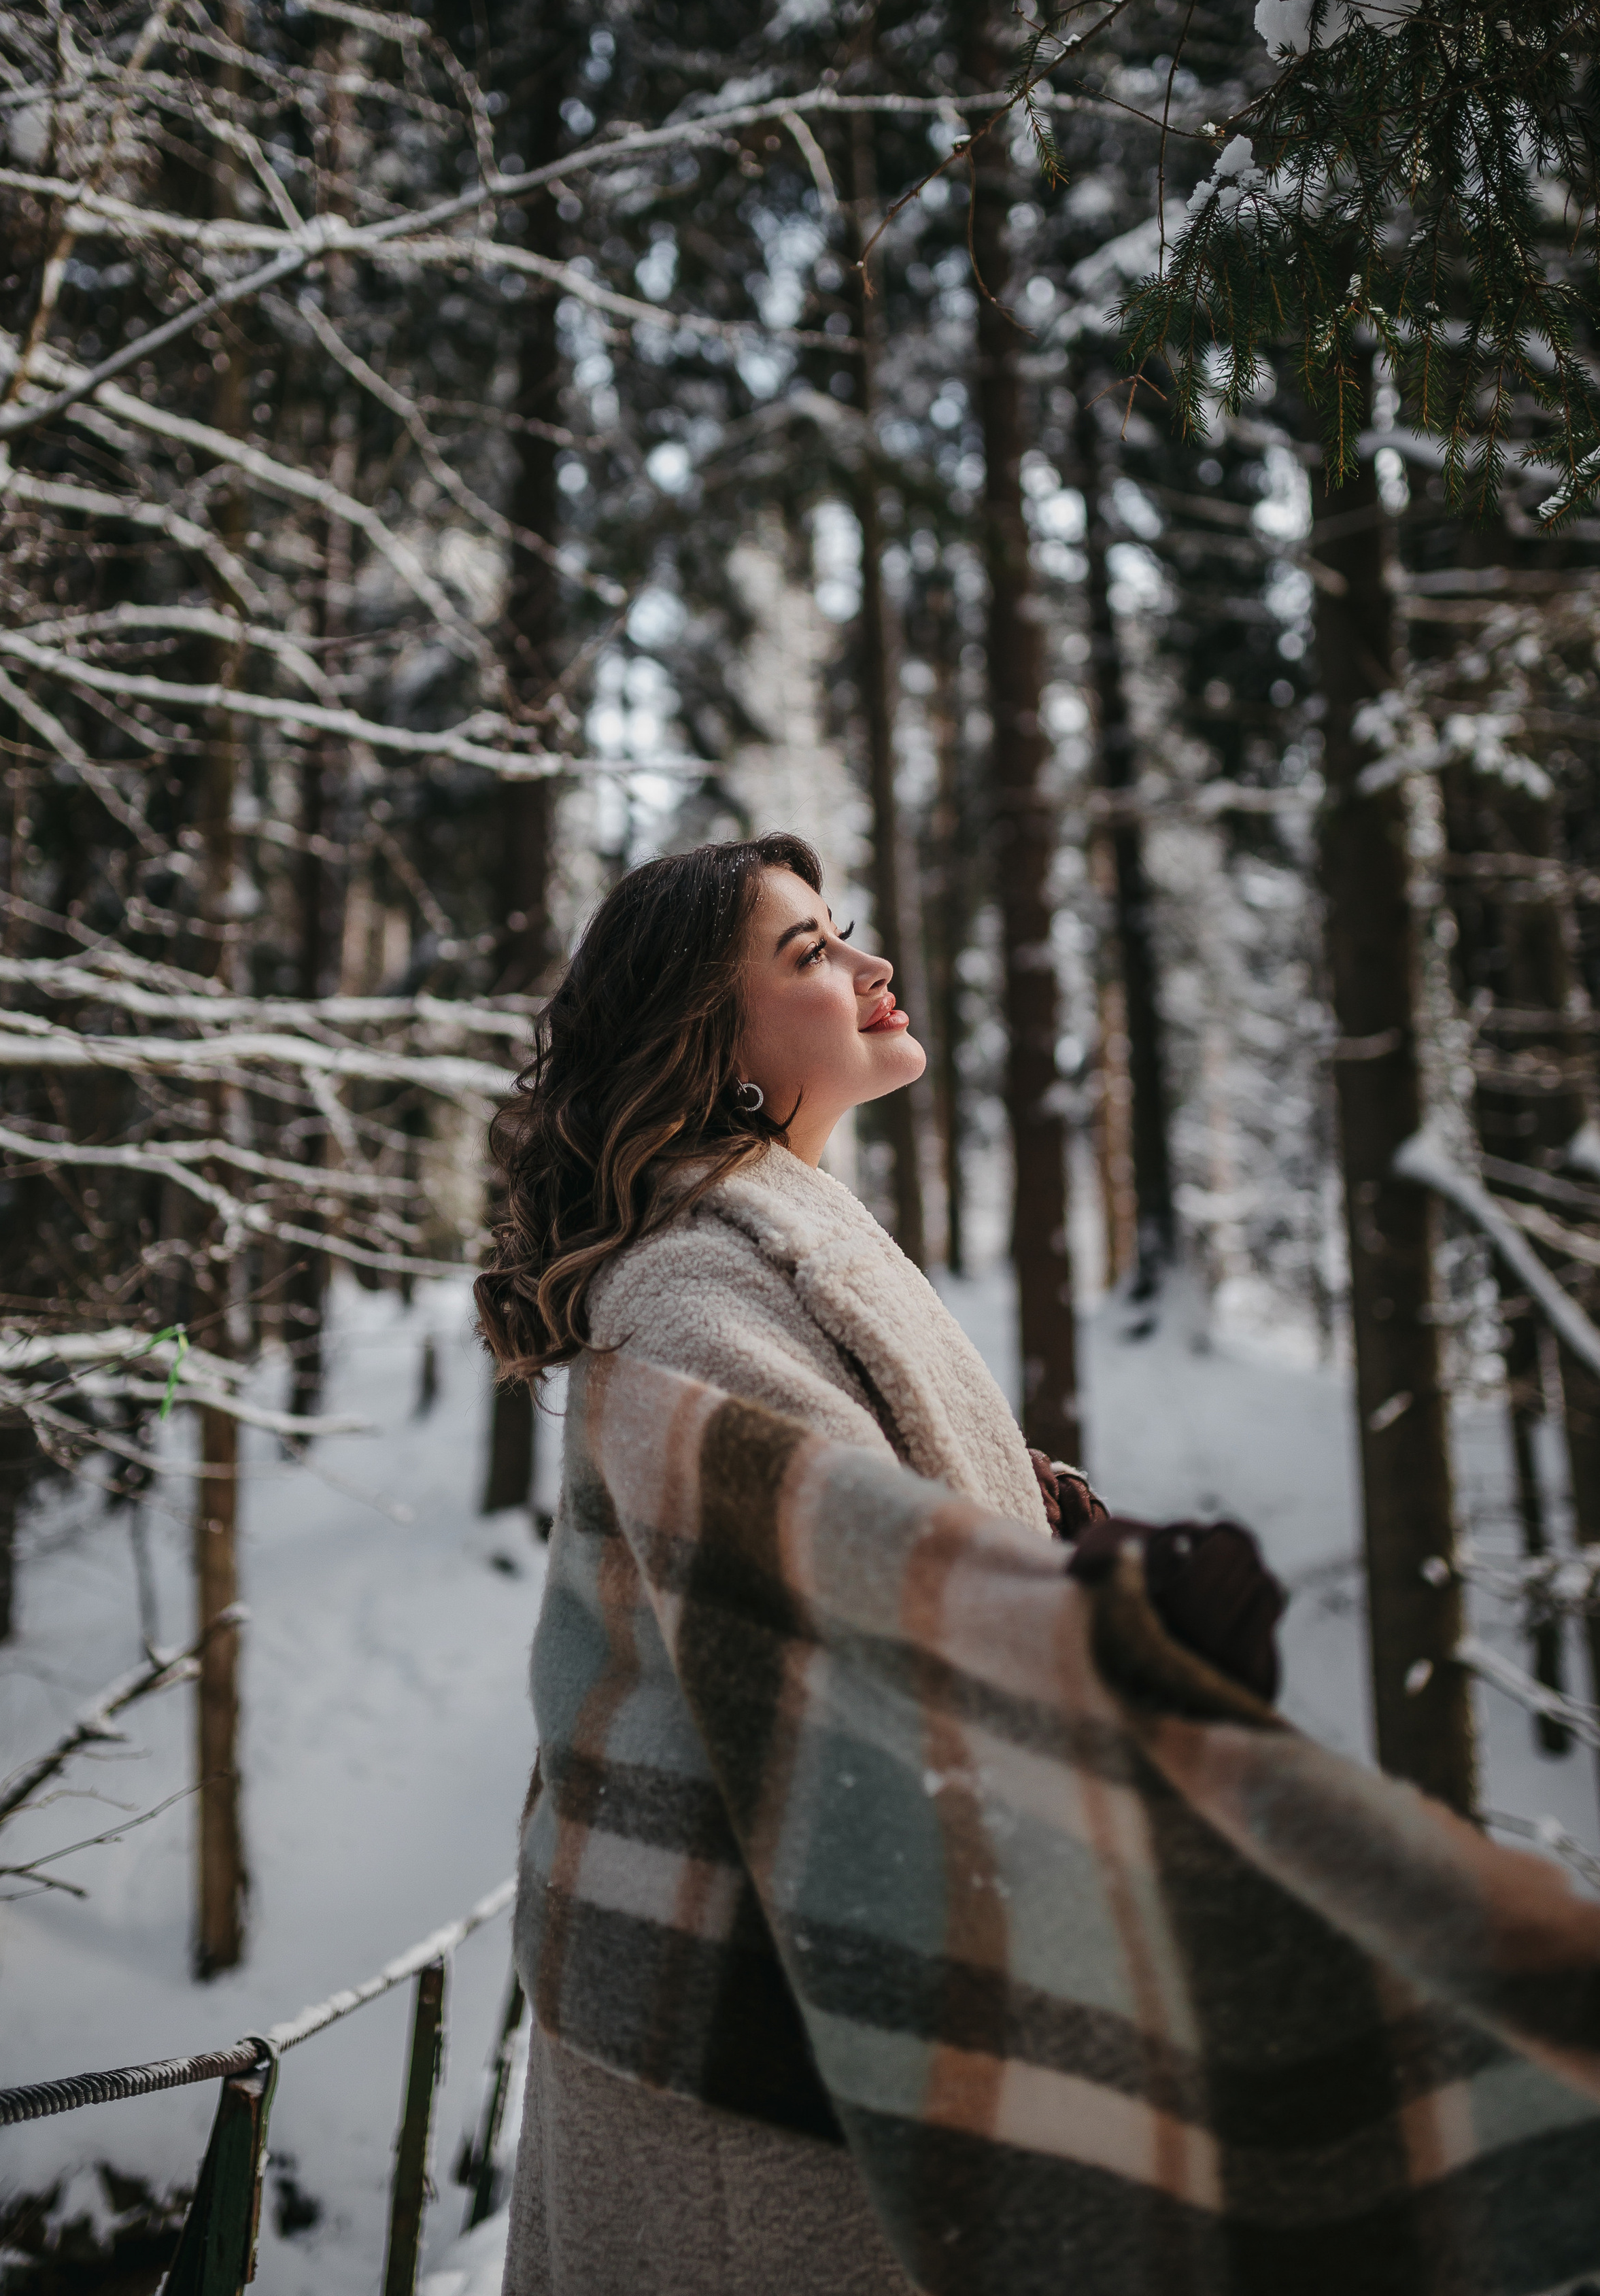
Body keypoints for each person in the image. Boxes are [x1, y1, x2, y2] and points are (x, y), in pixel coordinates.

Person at [476, 832, 1097, 2296]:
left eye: (845, 933)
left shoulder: (784, 1234)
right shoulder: (696, 1291)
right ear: (715, 1046)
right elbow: (857, 1643)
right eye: (809, 953)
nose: (871, 968)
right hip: (746, 2014)